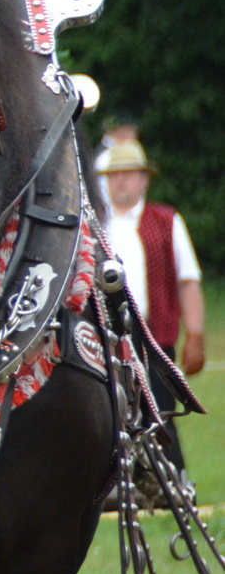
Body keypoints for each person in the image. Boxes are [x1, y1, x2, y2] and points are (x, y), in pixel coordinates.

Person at [99, 140, 205, 478]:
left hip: (154, 335)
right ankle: (117, 484)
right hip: (104, 335)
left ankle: (171, 481)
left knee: (160, 411)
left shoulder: (167, 221)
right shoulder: (97, 224)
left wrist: (196, 335)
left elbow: (188, 281)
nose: (122, 182)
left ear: (144, 180)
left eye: (129, 174)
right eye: (115, 175)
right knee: (108, 412)